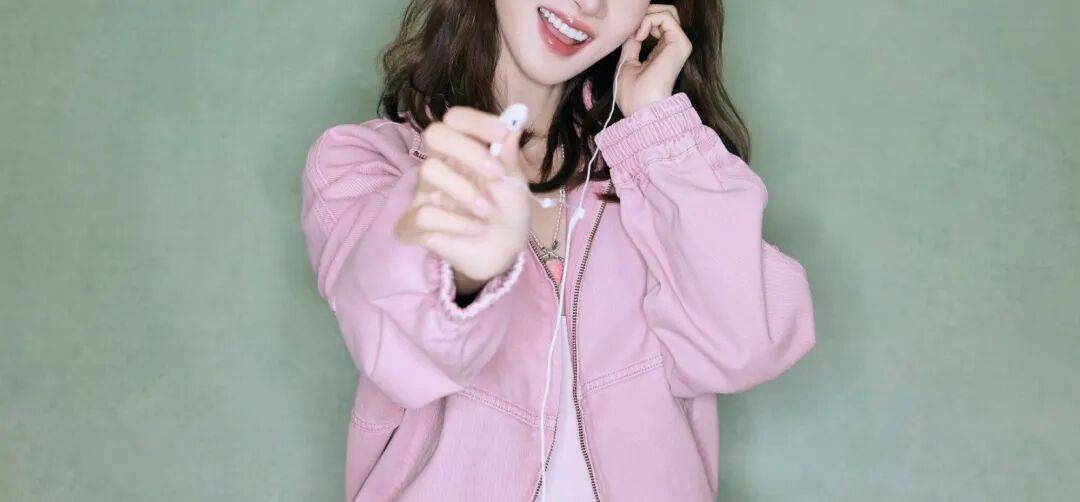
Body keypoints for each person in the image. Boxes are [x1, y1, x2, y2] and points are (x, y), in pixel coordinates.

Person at [299, 1, 817, 500]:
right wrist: (465, 275)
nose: (589, 3)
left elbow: (743, 347)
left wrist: (655, 129)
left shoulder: (653, 180)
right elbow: (393, 348)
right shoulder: (367, 164)